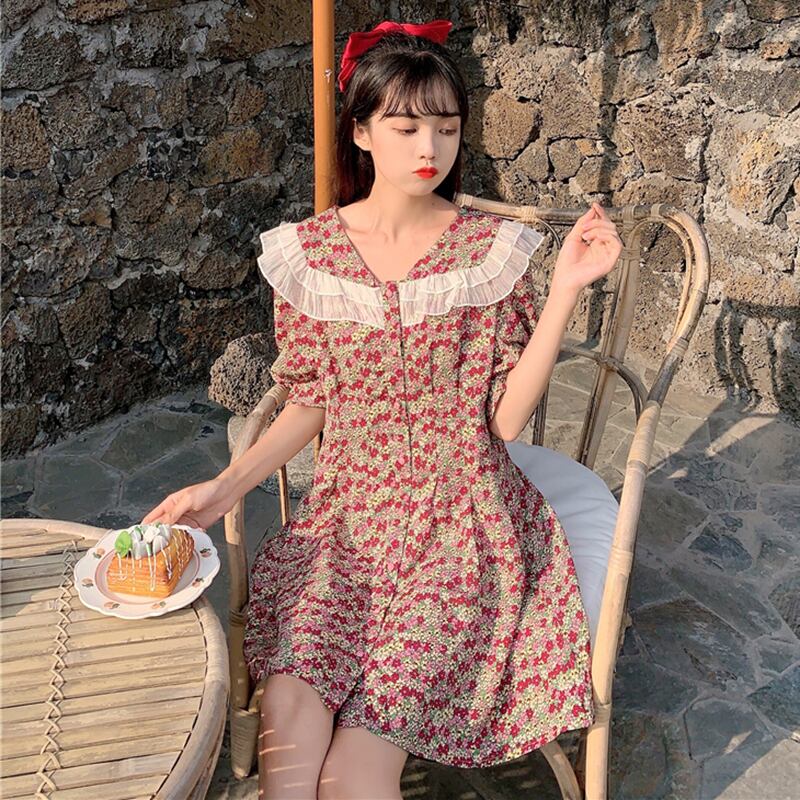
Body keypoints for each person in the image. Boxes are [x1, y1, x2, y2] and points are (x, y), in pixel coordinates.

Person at [142, 18, 623, 800]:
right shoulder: (309, 255)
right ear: (361, 132)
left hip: (462, 522)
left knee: (355, 768)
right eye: (406, 128)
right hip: (348, 520)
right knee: (289, 711)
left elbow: (503, 423)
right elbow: (310, 400)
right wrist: (224, 489)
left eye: (447, 127)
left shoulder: (490, 254)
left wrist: (565, 288)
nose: (430, 147)